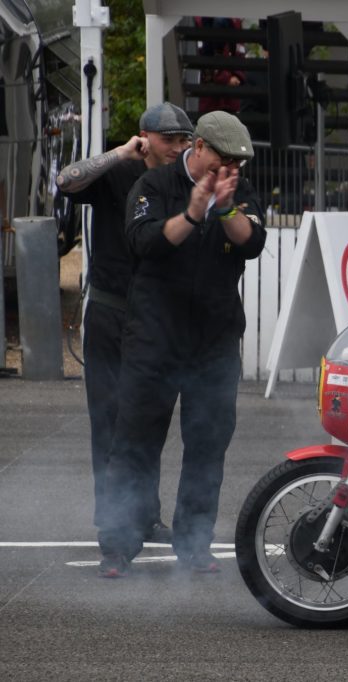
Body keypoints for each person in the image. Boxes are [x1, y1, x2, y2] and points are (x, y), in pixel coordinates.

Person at [98, 111, 267, 577]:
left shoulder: (239, 189)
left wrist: (226, 207)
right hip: (155, 337)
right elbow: (146, 243)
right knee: (135, 441)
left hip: (213, 339)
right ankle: (117, 546)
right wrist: (194, 211)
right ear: (199, 147)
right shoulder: (154, 185)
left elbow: (252, 242)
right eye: (224, 159)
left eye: (239, 162)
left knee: (208, 444)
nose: (232, 169)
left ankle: (193, 544)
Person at [56, 103, 193, 569]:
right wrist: (118, 154)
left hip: (157, 317)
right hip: (113, 312)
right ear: (145, 137)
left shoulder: (183, 180)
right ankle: (113, 529)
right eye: (169, 138)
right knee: (110, 422)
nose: (178, 147)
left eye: (184, 138)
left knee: (151, 419)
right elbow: (65, 181)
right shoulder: (120, 173)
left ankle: (146, 514)